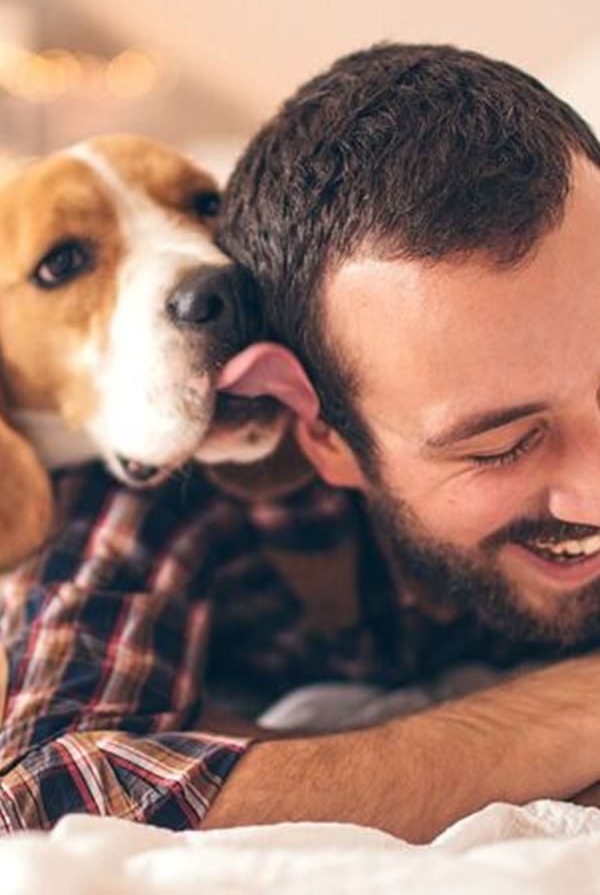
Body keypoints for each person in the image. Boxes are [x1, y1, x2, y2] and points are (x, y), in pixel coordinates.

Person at [2, 42, 600, 842]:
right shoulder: (141, 501)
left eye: (200, 206)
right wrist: (572, 708)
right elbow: (44, 791)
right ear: (325, 433)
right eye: (498, 445)